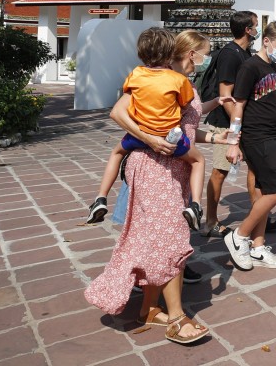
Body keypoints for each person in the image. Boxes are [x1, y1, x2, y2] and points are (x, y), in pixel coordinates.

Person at [84, 29, 232, 345]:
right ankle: (177, 318)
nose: (206, 60)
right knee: (172, 238)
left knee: (158, 237)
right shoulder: (155, 79)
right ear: (191, 53)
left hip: (175, 166)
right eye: (204, 53)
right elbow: (118, 112)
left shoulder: (182, 85)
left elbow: (187, 131)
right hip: (155, 167)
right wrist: (149, 138)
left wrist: (217, 136)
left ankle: (150, 309)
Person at [85, 28, 205, 230]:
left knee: (116, 153)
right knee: (198, 160)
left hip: (139, 134)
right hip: (169, 136)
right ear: (170, 53)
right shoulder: (179, 80)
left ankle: (101, 197)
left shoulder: (136, 74)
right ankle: (195, 206)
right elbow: (185, 104)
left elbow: (128, 97)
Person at [223, 20, 276, 270]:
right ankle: (239, 235)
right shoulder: (249, 67)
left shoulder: (274, 66)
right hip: (256, 136)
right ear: (266, 41)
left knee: (263, 191)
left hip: (274, 134)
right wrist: (233, 142)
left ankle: (258, 247)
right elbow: (238, 104)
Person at [202, 10, 259, 239]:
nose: (258, 28)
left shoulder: (245, 53)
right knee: (220, 170)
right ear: (248, 29)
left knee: (256, 168)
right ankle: (211, 222)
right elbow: (225, 94)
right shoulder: (230, 54)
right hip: (226, 123)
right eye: (256, 25)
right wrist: (236, 128)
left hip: (244, 120)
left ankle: (259, 216)